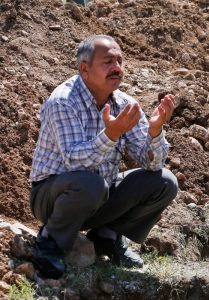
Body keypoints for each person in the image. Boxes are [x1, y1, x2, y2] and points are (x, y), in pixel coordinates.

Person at [30, 34, 178, 278]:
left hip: (99, 195)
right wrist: (110, 135)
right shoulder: (63, 101)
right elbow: (73, 160)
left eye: (119, 61)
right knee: (90, 184)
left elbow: (151, 163)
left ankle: (106, 236)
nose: (117, 68)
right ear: (84, 69)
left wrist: (155, 131)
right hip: (54, 198)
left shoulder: (125, 104)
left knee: (164, 182)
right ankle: (50, 244)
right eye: (108, 62)